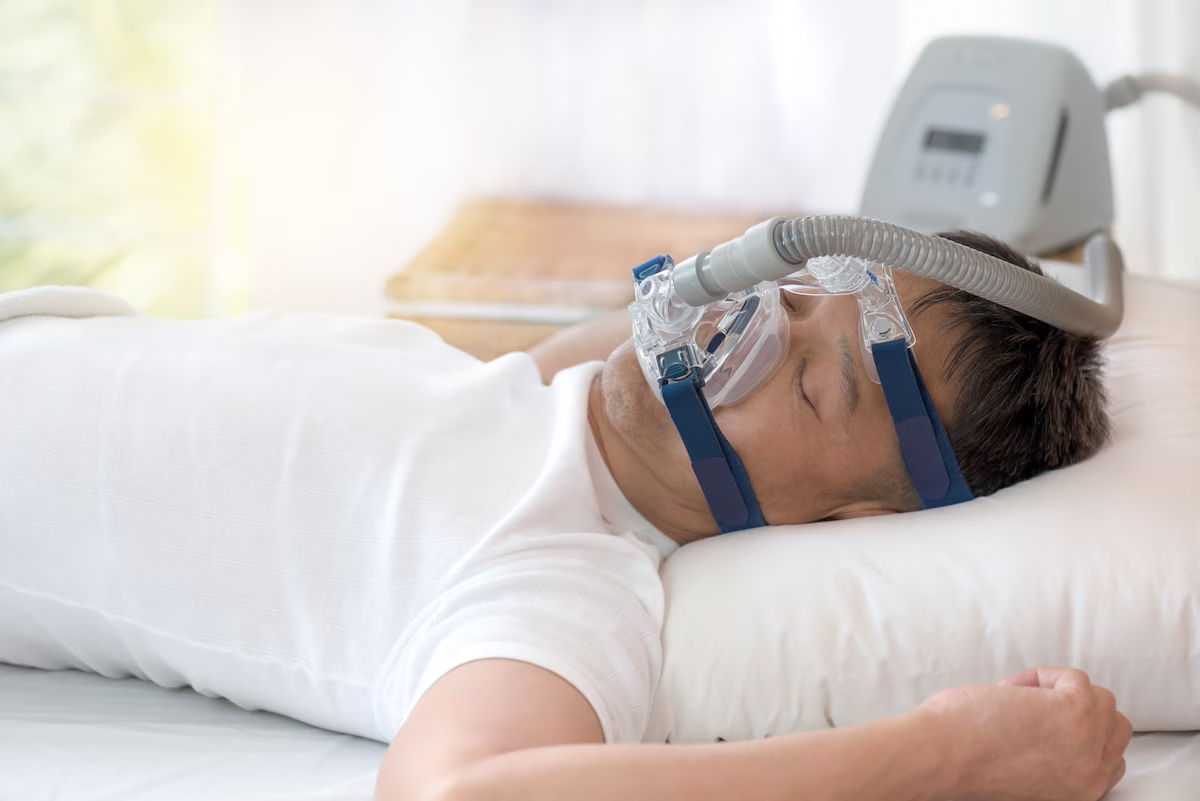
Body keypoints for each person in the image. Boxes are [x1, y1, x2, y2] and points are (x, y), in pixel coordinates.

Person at [0, 230, 1128, 801]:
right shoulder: (532, 396)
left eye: (808, 381)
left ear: (837, 524)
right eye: (782, 295)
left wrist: (948, 751)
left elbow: (464, 794)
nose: (743, 329)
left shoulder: (556, 583)